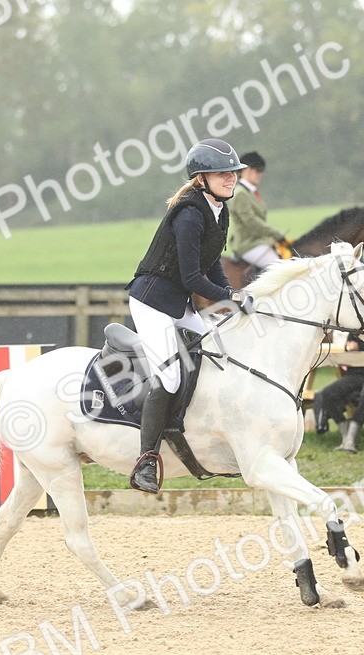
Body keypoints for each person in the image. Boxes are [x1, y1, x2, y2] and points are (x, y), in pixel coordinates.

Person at [125, 138, 255, 493]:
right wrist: (230, 297)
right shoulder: (189, 215)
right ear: (201, 179)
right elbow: (191, 278)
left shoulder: (219, 210)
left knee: (216, 354)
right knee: (168, 378)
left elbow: (211, 265)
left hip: (177, 302)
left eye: (233, 172)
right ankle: (146, 461)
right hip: (152, 300)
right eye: (222, 174)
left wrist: (230, 295)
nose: (231, 178)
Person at [312, 333, 364, 452]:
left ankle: (351, 438)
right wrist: (348, 348)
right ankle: (346, 435)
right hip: (355, 374)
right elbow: (346, 350)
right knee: (327, 394)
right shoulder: (355, 330)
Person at [228, 151, 290, 272]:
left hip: (259, 241)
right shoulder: (240, 194)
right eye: (257, 170)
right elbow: (251, 222)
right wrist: (276, 234)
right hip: (249, 245)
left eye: (261, 171)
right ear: (245, 170)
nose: (260, 174)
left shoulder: (250, 192)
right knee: (279, 269)